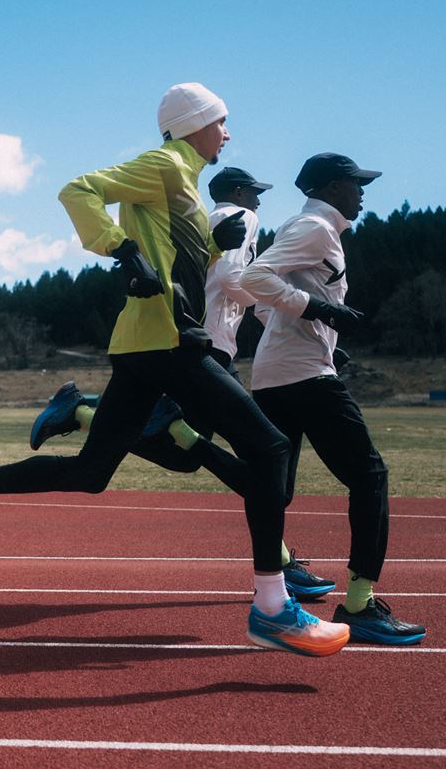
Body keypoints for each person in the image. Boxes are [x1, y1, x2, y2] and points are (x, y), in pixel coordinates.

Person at [0, 83, 349, 658]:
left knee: (92, 470)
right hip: (164, 339)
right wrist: (119, 249)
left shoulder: (182, 180)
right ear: (193, 124)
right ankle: (270, 607)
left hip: (148, 342)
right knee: (271, 449)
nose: (228, 134)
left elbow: (170, 255)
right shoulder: (163, 164)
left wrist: (213, 244)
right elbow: (78, 189)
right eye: (222, 122)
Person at [26, 166, 338, 600]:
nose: (260, 201)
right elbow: (234, 279)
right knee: (264, 457)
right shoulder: (242, 220)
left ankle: (81, 412)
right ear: (238, 192)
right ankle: (279, 571)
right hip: (206, 348)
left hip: (181, 339)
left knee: (189, 456)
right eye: (255, 192)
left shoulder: (202, 221)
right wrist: (280, 301)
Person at [232, 153, 424, 645]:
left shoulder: (317, 230)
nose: (362, 192)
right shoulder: (314, 227)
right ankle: (359, 604)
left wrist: (307, 331)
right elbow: (251, 279)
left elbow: (261, 299)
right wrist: (316, 310)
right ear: (331, 186)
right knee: (369, 476)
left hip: (276, 375)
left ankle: (278, 573)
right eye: (356, 183)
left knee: (277, 487)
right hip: (303, 377)